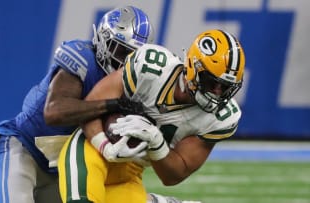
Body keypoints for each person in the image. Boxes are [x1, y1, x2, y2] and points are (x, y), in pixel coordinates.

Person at [0, 6, 155, 203]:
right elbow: (54, 112)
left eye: (133, 55)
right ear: (104, 39)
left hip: (61, 168)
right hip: (24, 147)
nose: (125, 62)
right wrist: (114, 104)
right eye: (121, 50)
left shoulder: (136, 80)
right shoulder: (84, 59)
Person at [58, 29, 245, 202]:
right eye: (210, 82)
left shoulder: (221, 117)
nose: (217, 93)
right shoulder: (152, 68)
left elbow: (173, 175)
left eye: (225, 87)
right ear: (192, 66)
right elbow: (90, 106)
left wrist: (157, 143)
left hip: (129, 172)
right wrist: (104, 146)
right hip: (91, 150)